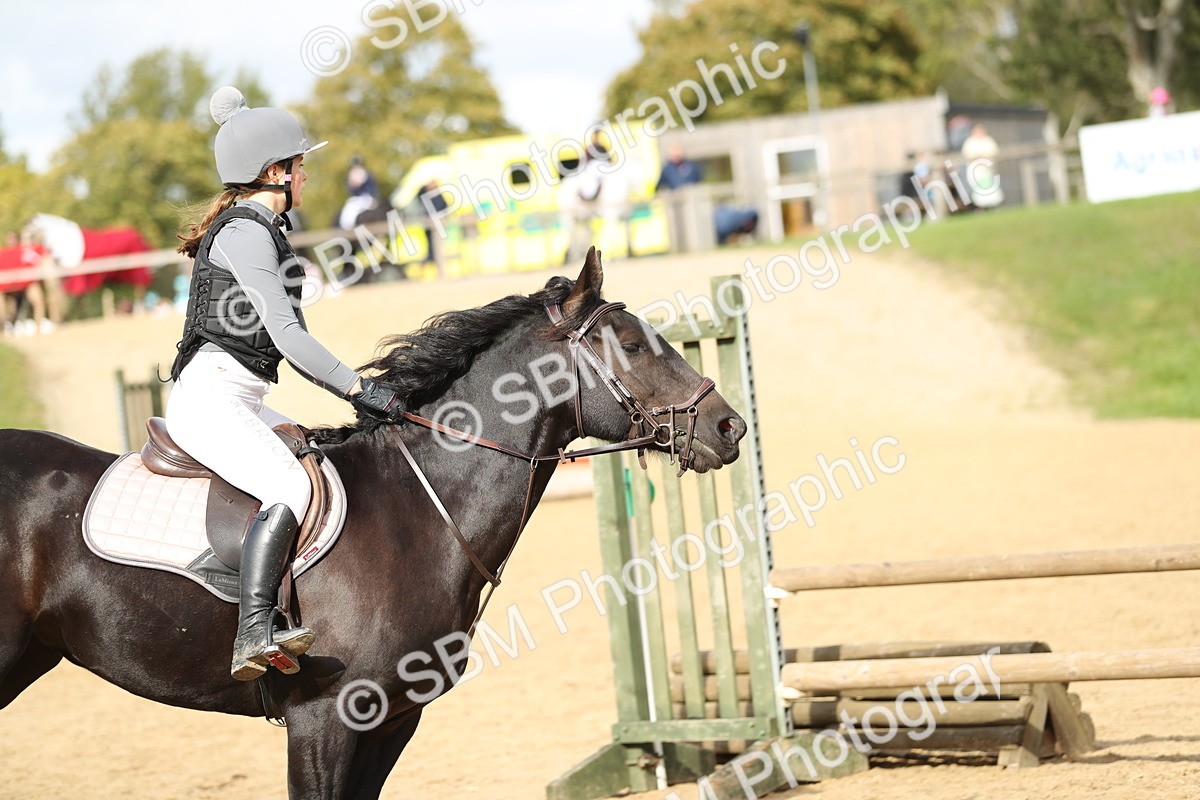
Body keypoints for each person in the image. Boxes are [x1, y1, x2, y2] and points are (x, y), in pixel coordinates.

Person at [168, 86, 402, 681]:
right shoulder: (246, 232)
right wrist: (359, 389)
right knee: (289, 486)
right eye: (299, 164)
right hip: (211, 398)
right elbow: (290, 337)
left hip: (239, 395)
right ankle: (254, 629)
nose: (305, 174)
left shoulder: (263, 227)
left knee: (314, 458)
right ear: (274, 172)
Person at [960, 124, 1004, 210]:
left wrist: (985, 157)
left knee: (991, 188)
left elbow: (994, 152)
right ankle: (980, 206)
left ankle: (993, 205)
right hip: (976, 170)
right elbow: (967, 154)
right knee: (978, 189)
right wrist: (977, 156)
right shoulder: (970, 142)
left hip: (988, 170)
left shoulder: (988, 140)